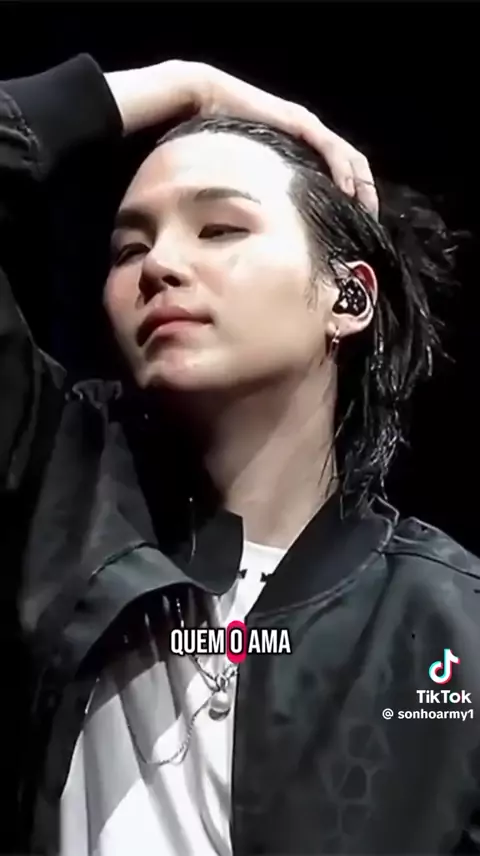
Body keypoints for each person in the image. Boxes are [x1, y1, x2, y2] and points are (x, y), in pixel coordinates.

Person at [1, 52, 479, 856]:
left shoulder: (451, 620)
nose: (160, 266)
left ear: (349, 297)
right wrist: (185, 84)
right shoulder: (54, 481)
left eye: (220, 229)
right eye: (127, 250)